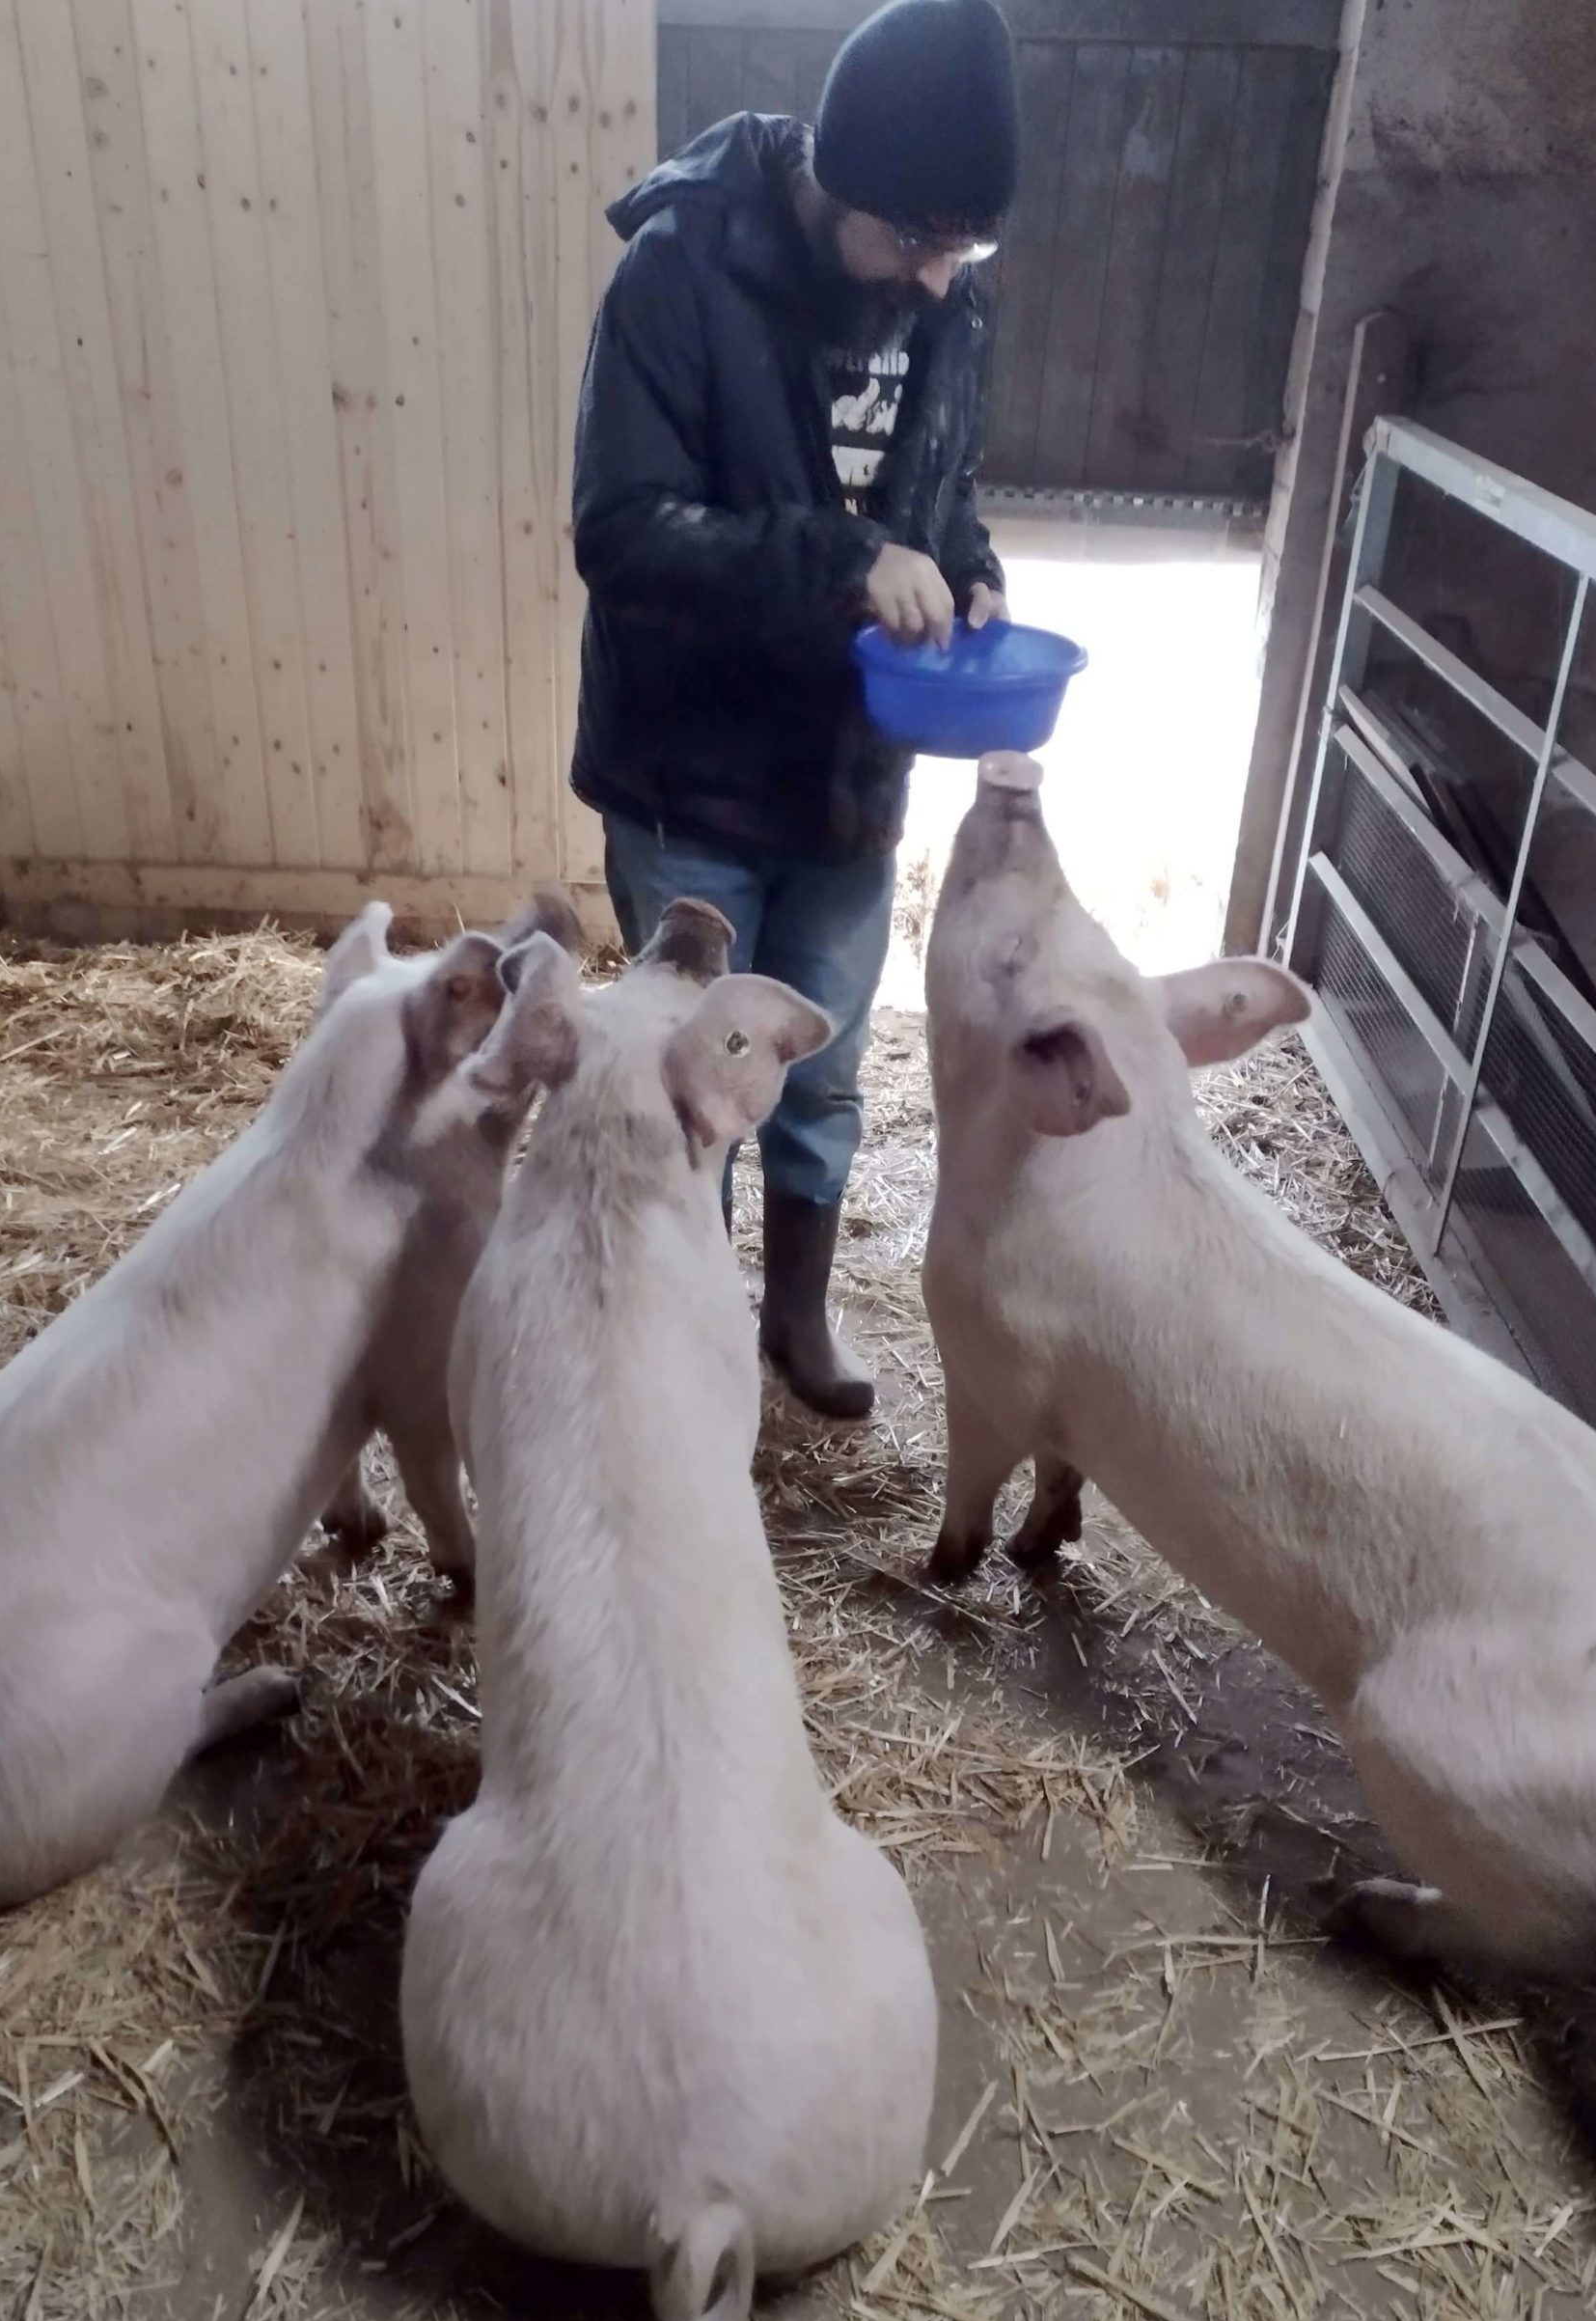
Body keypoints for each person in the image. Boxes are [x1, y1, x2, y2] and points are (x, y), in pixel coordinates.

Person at [570, 0, 1020, 1420]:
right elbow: (622, 531)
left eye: (962, 250)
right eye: (913, 243)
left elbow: (936, 491)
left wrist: (970, 571)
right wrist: (843, 563)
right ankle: (686, 1339)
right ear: (835, 183)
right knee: (689, 1083)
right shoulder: (678, 271)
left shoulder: (943, 289)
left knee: (816, 1073)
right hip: (689, 779)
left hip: (843, 776)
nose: (939, 281)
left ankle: (795, 1318)